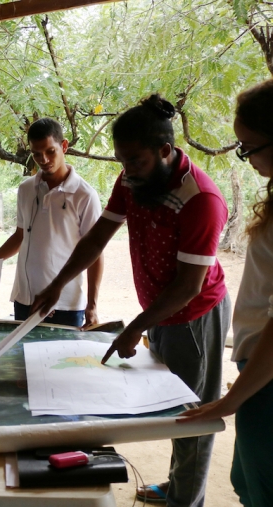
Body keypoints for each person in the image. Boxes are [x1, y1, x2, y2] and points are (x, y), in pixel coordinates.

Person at [31, 95, 230, 507]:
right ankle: (178, 485)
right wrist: (58, 284)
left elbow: (189, 286)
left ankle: (185, 500)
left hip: (194, 317)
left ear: (165, 151)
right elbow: (98, 237)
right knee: (172, 408)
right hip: (159, 310)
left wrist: (137, 326)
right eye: (121, 161)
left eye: (135, 161)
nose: (127, 171)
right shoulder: (133, 180)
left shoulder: (201, 200)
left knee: (193, 416)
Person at [180, 80, 273, 506]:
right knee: (246, 482)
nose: (247, 157)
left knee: (260, 489)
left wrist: (230, 400)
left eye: (250, 147)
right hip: (261, 374)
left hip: (267, 383)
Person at [0, 117, 103, 328]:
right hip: (25, 300)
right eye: (36, 154)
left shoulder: (85, 195)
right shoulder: (26, 189)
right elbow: (20, 237)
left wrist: (92, 305)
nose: (44, 159)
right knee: (25, 360)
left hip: (65, 303)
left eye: (50, 151)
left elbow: (95, 252)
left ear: (64, 146)